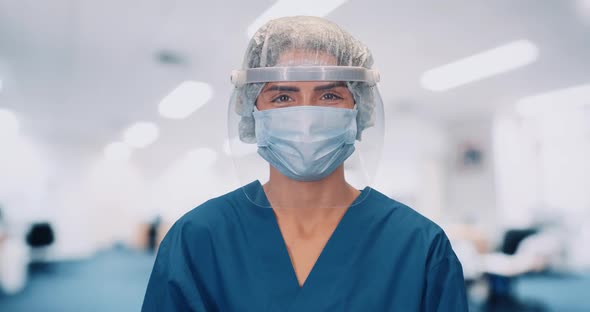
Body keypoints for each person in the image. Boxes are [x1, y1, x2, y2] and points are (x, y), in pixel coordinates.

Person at [142, 16, 468, 311]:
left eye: (329, 96)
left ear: (360, 109)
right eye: (283, 97)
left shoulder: (419, 246)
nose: (306, 118)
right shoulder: (199, 238)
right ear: (252, 113)